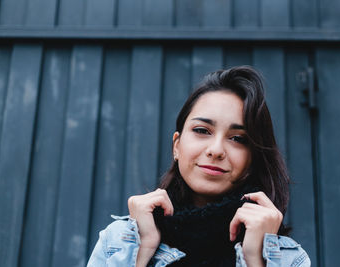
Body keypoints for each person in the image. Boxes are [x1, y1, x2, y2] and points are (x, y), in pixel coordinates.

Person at [87, 66, 310, 267]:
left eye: (238, 138)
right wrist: (142, 252)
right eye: (202, 131)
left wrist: (255, 260)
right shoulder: (118, 242)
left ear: (253, 160)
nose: (216, 150)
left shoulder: (286, 258)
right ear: (176, 145)